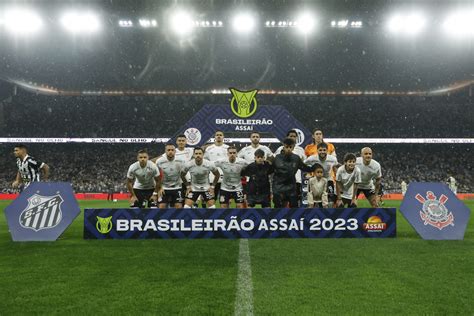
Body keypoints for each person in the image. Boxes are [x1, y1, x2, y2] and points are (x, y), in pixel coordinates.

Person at [272, 137, 318, 208]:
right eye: (286, 147)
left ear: (293, 147)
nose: (288, 149)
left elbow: (305, 168)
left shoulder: (296, 158)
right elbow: (269, 170)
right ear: (283, 147)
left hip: (291, 188)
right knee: (278, 209)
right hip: (278, 188)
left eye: (290, 147)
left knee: (294, 208)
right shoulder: (277, 158)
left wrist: (315, 166)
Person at [275, 130, 307, 205]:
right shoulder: (280, 149)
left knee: (295, 203)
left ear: (296, 138)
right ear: (287, 137)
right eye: (291, 136)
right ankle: (283, 216)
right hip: (283, 181)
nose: (292, 138)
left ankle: (294, 217)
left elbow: (303, 163)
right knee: (283, 202)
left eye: (294, 136)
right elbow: (275, 161)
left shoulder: (301, 150)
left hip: (296, 180)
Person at [156, 143, 185, 208]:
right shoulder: (159, 161)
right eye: (168, 150)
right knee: (161, 206)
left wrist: (188, 186)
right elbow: (156, 177)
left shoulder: (181, 161)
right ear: (165, 151)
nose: (170, 152)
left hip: (177, 187)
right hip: (164, 188)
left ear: (175, 151)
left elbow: (184, 174)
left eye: (172, 150)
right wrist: (159, 188)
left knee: (179, 206)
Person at [204, 130, 229, 198]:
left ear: (223, 137)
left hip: (225, 177)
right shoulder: (209, 148)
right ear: (214, 137)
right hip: (212, 176)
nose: (219, 136)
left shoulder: (227, 148)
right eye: (217, 135)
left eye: (220, 135)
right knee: (211, 197)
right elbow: (205, 161)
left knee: (225, 199)